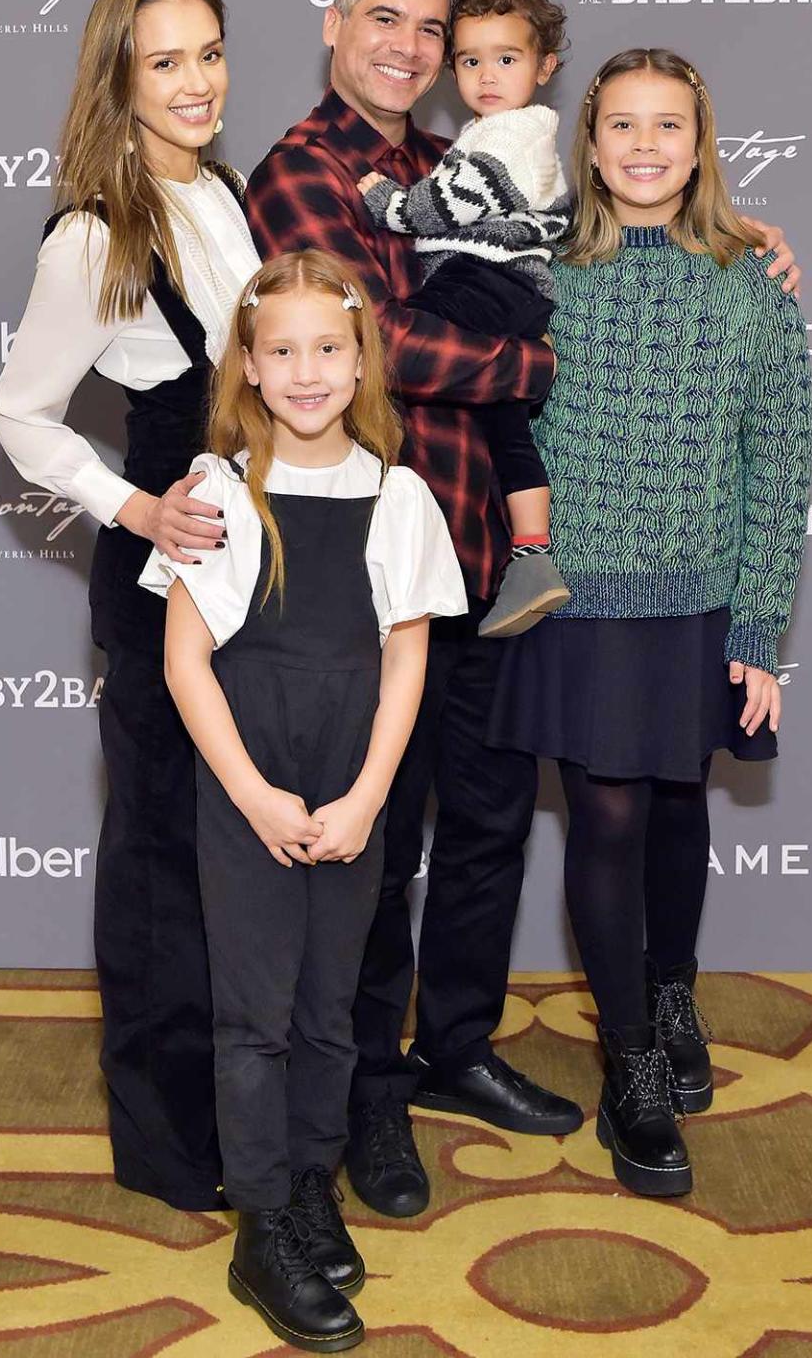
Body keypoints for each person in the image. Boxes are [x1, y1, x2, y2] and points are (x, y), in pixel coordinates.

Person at [245, 0, 802, 1221]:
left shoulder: (461, 169)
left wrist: (736, 234)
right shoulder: (308, 172)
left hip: (494, 568)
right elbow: (371, 343)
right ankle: (370, 1102)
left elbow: (599, 250)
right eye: (384, 20)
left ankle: (455, 1051)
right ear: (338, 25)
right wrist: (538, 362)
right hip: (383, 564)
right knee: (383, 844)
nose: (411, 47)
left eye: (431, 31)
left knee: (491, 827)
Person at [488, 49, 812, 1198]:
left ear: (699, 141)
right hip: (581, 603)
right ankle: (627, 1062)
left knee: (681, 810)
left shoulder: (748, 280)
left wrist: (758, 629)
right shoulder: (537, 271)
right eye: (620, 124)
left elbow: (778, 462)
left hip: (704, 602)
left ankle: (672, 990)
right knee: (609, 822)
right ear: (588, 139)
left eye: (665, 125)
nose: (642, 146)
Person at [140, 251, 467, 1352]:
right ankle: (261, 1219)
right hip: (252, 783)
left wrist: (371, 796)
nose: (307, 370)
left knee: (333, 1008)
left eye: (329, 347)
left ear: (363, 356)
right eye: (279, 350)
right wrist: (252, 796)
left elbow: (407, 657)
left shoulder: (399, 492)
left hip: (351, 787)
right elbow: (187, 663)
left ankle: (311, 1179)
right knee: (256, 1016)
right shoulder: (220, 490)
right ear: (246, 364)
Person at [0, 0, 260, 1212]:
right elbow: (24, 416)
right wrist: (134, 503)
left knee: (231, 847)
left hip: (252, 566)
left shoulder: (228, 190)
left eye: (208, 52)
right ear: (120, 76)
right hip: (162, 572)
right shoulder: (99, 229)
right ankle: (166, 1146)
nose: (197, 81)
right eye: (167, 60)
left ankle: (238, 1106)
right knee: (158, 855)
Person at [359, 0, 573, 638]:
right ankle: (533, 552)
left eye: (506, 59)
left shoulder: (508, 135)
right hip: (516, 290)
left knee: (393, 345)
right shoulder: (499, 130)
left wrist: (386, 204)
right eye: (471, 60)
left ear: (545, 66)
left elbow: (450, 201)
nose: (487, 76)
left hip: (490, 281)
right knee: (505, 426)